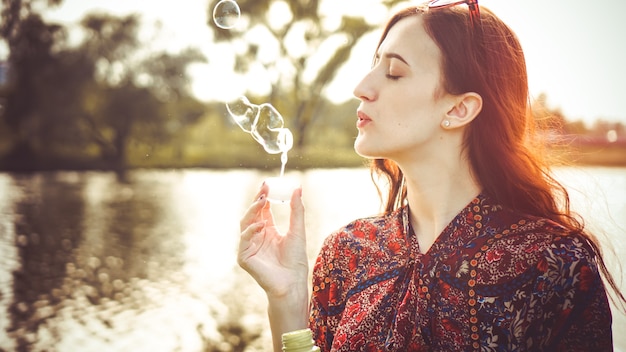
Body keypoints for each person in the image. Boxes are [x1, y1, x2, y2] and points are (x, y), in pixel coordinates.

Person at [237, 1, 625, 351]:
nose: (361, 88)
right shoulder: (347, 252)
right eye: (374, 65)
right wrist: (286, 300)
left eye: (393, 73)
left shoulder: (553, 264)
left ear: (459, 110)